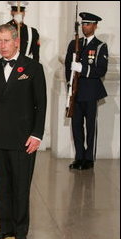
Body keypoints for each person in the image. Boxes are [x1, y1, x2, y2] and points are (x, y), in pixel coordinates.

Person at [0, 24, 46, 239]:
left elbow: (41, 105)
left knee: (21, 186)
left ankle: (21, 231)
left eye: (6, 41)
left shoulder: (33, 67)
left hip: (24, 139)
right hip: (0, 137)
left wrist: (37, 135)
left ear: (16, 42)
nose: (2, 45)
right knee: (2, 185)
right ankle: (5, 227)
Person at [66, 12, 108, 170]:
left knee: (90, 126)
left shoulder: (100, 46)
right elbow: (67, 68)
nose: (85, 27)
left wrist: (82, 68)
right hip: (76, 92)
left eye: (88, 24)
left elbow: (100, 70)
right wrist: (70, 88)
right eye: (83, 24)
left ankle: (89, 158)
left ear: (95, 26)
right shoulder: (74, 44)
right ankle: (79, 157)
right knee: (76, 126)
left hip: (90, 92)